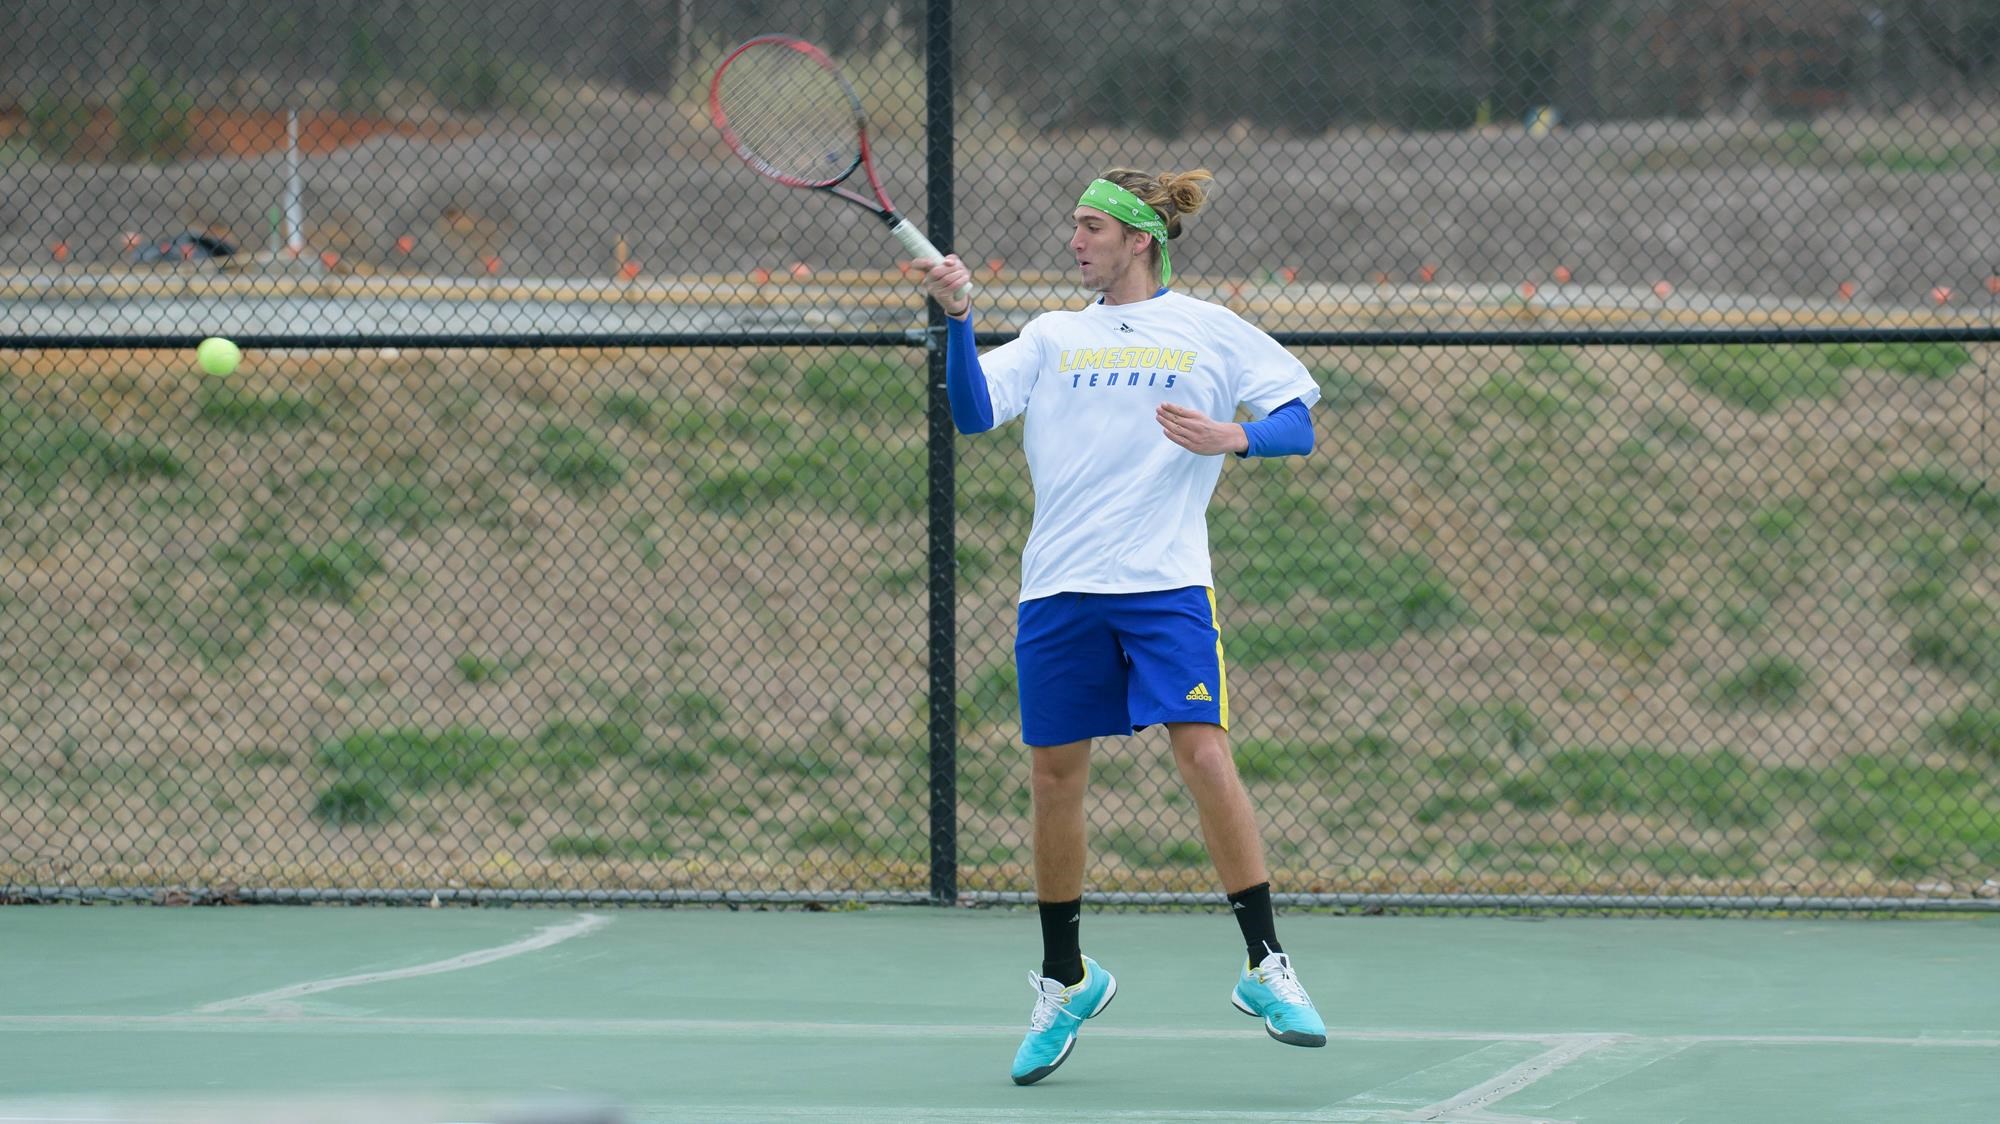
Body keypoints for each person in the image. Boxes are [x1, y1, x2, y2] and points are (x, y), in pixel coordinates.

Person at [916, 167, 1327, 1087]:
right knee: (1054, 780)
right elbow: (974, 412)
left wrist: (1237, 437)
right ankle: (1066, 978)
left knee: (1204, 754)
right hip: (1059, 590)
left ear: (1141, 239)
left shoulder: (1211, 328)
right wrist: (954, 320)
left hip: (1166, 585)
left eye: (1091, 227)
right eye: (1073, 226)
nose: (1075, 240)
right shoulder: (1055, 335)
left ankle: (1266, 965)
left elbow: (1298, 421)